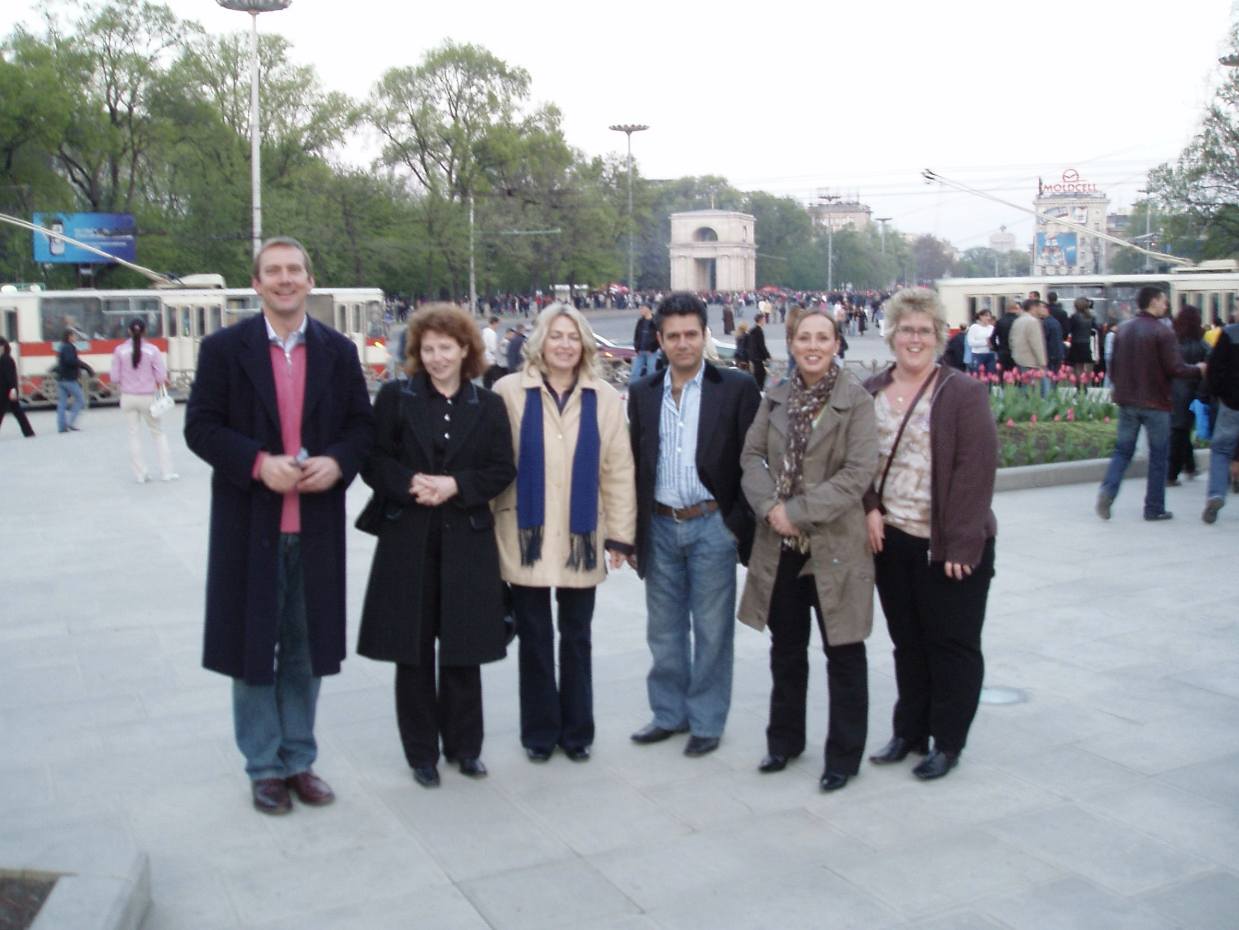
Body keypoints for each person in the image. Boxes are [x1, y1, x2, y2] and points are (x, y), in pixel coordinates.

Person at [184, 237, 375, 815]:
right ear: (258, 282)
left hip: (314, 524)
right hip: (251, 523)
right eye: (274, 271)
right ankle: (263, 766)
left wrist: (339, 461)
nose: (285, 279)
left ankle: (299, 759)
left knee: (303, 648)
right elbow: (200, 426)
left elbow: (360, 427)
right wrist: (255, 462)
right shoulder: (224, 349)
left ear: (309, 280)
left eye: (295, 270)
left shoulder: (338, 351)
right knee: (252, 645)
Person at [357, 305, 515, 787]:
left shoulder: (486, 405)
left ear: (465, 349)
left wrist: (455, 486)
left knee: (463, 648)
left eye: (446, 347)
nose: (436, 357)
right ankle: (421, 752)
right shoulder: (395, 398)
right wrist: (411, 483)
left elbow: (500, 468)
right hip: (409, 536)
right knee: (414, 649)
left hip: (465, 537)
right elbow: (373, 460)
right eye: (427, 349)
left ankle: (466, 748)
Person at [738, 310, 878, 792]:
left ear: (837, 344)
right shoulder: (775, 396)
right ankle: (784, 741)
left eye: (823, 337)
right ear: (791, 344)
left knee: (843, 649)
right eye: (804, 338)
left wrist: (795, 511)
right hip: (782, 546)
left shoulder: (856, 401)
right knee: (787, 649)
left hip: (834, 544)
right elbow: (750, 456)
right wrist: (770, 506)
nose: (813, 345)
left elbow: (859, 473)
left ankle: (843, 755)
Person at [862, 289, 998, 781]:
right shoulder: (871, 390)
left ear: (939, 337)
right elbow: (856, 464)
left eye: (924, 330)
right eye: (906, 329)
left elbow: (976, 469)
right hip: (891, 539)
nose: (914, 338)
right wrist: (869, 509)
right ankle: (909, 731)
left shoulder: (961, 391)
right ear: (892, 335)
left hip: (947, 542)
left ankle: (948, 741)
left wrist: (962, 543)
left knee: (952, 644)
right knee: (908, 642)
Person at [493, 303, 636, 763]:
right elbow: (495, 465)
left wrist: (621, 535)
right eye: (556, 336)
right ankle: (538, 733)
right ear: (539, 340)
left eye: (573, 337)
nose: (564, 345)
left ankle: (577, 733)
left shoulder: (605, 398)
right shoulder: (508, 392)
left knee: (576, 637)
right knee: (534, 638)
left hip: (582, 535)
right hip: (524, 532)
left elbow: (617, 470)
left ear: (585, 344)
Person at [628, 292, 761, 756]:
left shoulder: (736, 388)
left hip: (711, 525)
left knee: (711, 628)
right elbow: (635, 462)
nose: (683, 344)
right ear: (660, 340)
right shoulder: (642, 394)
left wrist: (736, 523)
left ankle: (706, 719)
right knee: (663, 628)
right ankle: (669, 714)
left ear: (705, 336)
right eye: (673, 336)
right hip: (660, 524)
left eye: (691, 334)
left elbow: (754, 460)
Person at [1097, 286, 1204, 522]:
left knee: (1123, 451)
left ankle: (1108, 490)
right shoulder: (1163, 332)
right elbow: (1175, 368)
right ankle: (1154, 507)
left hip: (1127, 401)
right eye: (1164, 301)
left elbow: (1112, 367)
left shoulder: (1123, 330)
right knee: (1158, 455)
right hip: (1156, 402)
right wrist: (1199, 370)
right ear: (1154, 301)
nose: (1166, 306)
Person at [109, 318, 177, 483]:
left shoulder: (119, 351)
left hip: (127, 397)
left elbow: (114, 377)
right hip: (147, 397)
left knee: (133, 435)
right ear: (145, 331)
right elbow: (161, 376)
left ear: (128, 332)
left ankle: (141, 474)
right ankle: (167, 471)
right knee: (157, 433)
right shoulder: (152, 350)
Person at [1202, 316, 1239, 524]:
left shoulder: (1230, 333)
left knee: (1221, 451)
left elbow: (1214, 367)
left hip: (1231, 402)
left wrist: (1218, 393)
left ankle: (1216, 494)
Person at [1168, 305, 1208, 486]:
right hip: (1192, 392)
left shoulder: (1171, 341)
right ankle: (1172, 474)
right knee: (1182, 431)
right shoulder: (1202, 344)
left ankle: (1188, 466)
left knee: (1179, 431)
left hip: (1171, 390)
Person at [55, 329, 92, 433]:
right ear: (69, 336)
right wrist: (82, 365)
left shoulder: (62, 347)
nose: (75, 338)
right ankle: (71, 422)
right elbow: (71, 360)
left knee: (62, 403)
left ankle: (61, 426)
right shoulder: (69, 347)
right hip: (69, 379)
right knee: (81, 400)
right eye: (74, 336)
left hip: (61, 379)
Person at [0, 337, 35, 438]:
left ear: (2, 346)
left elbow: (11, 376)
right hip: (7, 390)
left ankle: (29, 432)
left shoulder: (6, 359)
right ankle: (28, 432)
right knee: (18, 412)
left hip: (6, 391)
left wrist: (13, 389)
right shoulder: (4, 358)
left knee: (2, 411)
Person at [1066, 298, 1096, 381]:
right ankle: (1085, 383)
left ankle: (1079, 385)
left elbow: (1069, 329)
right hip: (1086, 343)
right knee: (1085, 366)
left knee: (1077, 366)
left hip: (1076, 343)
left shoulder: (1074, 317)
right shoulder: (1091, 317)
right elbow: (1095, 329)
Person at [631, 303, 659, 382]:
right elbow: (636, 335)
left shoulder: (655, 321)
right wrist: (637, 348)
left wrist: (652, 348)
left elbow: (658, 336)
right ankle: (632, 391)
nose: (641, 310)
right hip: (640, 351)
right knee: (635, 372)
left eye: (642, 308)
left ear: (648, 309)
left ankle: (650, 391)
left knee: (651, 373)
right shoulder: (640, 321)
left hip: (651, 352)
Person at [965, 310, 996, 376]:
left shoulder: (992, 328)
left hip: (990, 354)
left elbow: (996, 340)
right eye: (986, 316)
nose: (988, 318)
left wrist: (993, 344)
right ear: (980, 317)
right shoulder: (974, 327)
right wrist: (986, 342)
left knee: (990, 374)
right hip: (978, 354)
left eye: (989, 316)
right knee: (978, 374)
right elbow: (971, 343)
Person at [748, 313, 772, 390]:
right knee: (760, 375)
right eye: (763, 319)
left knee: (757, 374)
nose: (764, 321)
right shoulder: (759, 331)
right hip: (758, 357)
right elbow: (761, 345)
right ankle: (759, 391)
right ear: (760, 320)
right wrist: (768, 355)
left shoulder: (752, 330)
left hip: (753, 356)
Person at [482, 317, 503, 388]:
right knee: (499, 379)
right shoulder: (492, 333)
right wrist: (500, 345)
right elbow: (493, 349)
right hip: (491, 360)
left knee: (487, 381)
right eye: (498, 324)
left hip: (484, 360)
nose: (498, 326)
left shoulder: (484, 331)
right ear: (494, 323)